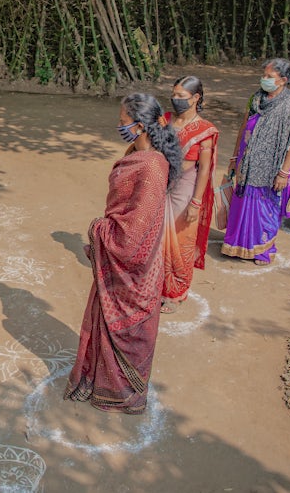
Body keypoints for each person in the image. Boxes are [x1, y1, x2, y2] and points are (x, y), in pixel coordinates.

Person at [65, 94, 185, 414]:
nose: (119, 126)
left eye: (122, 121)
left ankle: (122, 394)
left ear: (141, 125)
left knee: (126, 330)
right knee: (105, 319)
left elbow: (132, 234)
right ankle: (100, 382)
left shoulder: (152, 167)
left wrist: (98, 230)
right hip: (120, 261)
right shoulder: (138, 152)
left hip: (133, 267)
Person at [222, 58, 290, 265]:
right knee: (242, 203)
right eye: (264, 75)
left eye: (269, 77)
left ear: (283, 80)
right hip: (248, 162)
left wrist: (284, 173)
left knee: (264, 208)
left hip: (272, 168)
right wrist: (235, 157)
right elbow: (244, 127)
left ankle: (263, 250)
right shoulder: (255, 99)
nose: (264, 79)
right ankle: (238, 245)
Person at [162, 76, 218, 312]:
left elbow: (204, 168)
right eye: (174, 95)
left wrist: (196, 202)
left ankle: (175, 291)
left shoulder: (204, 130)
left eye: (181, 97)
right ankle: (155, 284)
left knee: (179, 238)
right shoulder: (165, 120)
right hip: (161, 182)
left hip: (185, 187)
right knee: (156, 235)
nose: (176, 100)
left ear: (196, 98)